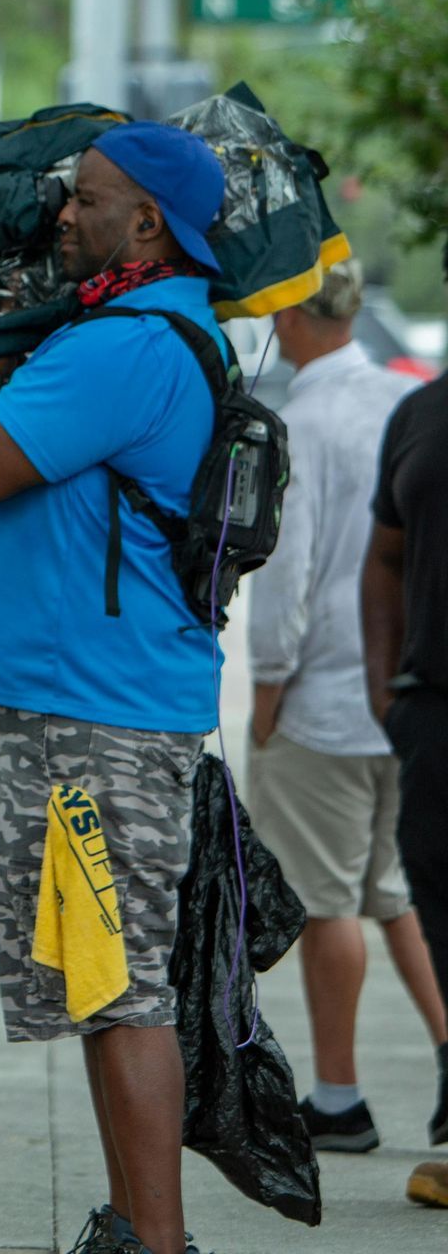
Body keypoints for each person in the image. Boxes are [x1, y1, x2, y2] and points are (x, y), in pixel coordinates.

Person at [0, 122, 230, 1254]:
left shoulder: (127, 344)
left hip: (97, 713)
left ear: (147, 221)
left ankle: (156, 1243)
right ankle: (132, 1224)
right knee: (101, 985)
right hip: (91, 700)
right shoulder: (131, 329)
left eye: (89, 199)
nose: (64, 215)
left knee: (120, 987)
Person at [245, 262, 447, 1157]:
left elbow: (285, 573)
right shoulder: (402, 399)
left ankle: (339, 1096)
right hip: (402, 695)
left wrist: (265, 685)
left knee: (328, 900)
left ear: (289, 313)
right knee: (399, 893)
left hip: (324, 692)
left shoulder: (303, 419)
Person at [364, 238, 448, 1212]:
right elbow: (381, 560)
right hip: (433, 718)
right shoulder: (420, 413)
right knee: (441, 917)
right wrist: (390, 690)